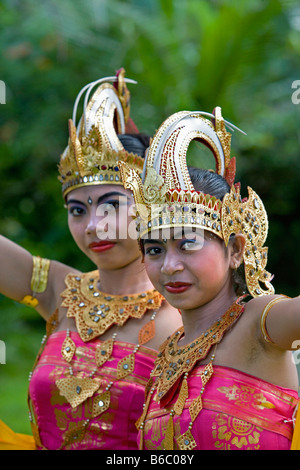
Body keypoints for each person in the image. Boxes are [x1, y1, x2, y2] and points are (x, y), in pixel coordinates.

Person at [0, 69, 182, 450]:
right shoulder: (58, 292)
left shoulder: (189, 317)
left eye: (111, 205)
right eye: (78, 209)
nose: (94, 226)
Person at [119, 108, 300, 450]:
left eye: (188, 243)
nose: (170, 265)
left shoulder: (261, 323)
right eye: (155, 250)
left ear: (235, 250)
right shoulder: (166, 354)